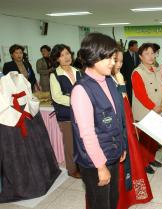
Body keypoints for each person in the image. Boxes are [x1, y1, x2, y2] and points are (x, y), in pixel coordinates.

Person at [71, 33, 127, 209]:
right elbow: (87, 134)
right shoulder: (81, 90)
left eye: (114, 57)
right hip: (95, 160)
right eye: (109, 58)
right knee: (100, 204)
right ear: (94, 57)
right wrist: (100, 166)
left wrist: (121, 145)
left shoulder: (109, 81)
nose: (113, 63)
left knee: (113, 198)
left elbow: (118, 118)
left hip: (112, 151)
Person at [0, 71, 61, 202]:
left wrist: (27, 110)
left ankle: (43, 176)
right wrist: (17, 115)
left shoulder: (23, 78)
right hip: (11, 118)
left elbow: (31, 96)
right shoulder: (2, 82)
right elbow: (2, 105)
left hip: (28, 115)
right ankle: (24, 184)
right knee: (17, 152)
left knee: (36, 147)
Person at [111, 51, 153, 209]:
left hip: (126, 121)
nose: (119, 64)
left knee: (132, 155)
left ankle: (134, 194)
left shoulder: (119, 75)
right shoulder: (106, 79)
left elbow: (125, 101)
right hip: (117, 125)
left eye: (121, 61)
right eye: (116, 60)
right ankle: (122, 198)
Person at [131, 43, 162, 174]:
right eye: (147, 53)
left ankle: (151, 158)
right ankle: (143, 163)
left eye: (153, 53)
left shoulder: (157, 70)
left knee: (153, 139)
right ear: (140, 56)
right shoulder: (137, 73)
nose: (151, 56)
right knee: (144, 141)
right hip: (145, 112)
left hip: (158, 110)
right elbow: (140, 95)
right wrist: (154, 107)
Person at [50, 44, 82, 178]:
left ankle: (82, 165)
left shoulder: (78, 71)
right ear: (57, 59)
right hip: (66, 115)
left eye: (67, 53)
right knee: (70, 144)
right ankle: (72, 169)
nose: (66, 57)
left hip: (81, 113)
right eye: (62, 55)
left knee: (82, 141)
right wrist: (74, 100)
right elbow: (57, 97)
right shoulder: (55, 74)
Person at [120, 40, 140, 105]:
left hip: (136, 78)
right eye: (136, 46)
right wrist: (124, 79)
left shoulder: (137, 55)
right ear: (131, 47)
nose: (137, 47)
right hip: (127, 79)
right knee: (129, 93)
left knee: (136, 93)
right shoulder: (124, 55)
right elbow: (122, 68)